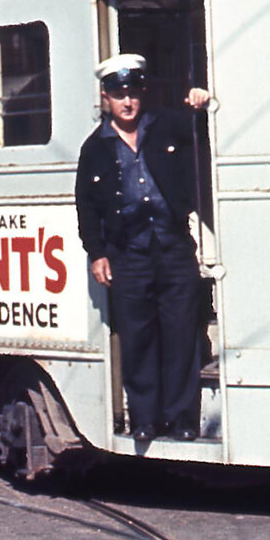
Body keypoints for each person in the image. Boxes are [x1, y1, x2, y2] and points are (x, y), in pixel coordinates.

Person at [74, 53, 211, 443]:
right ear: (106, 98)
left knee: (181, 333)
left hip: (173, 249)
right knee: (138, 337)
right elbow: (86, 204)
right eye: (119, 94)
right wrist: (97, 252)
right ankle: (146, 420)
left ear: (143, 93)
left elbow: (201, 126)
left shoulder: (167, 127)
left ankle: (183, 418)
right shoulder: (95, 148)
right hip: (128, 254)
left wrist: (199, 102)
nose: (127, 101)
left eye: (133, 92)